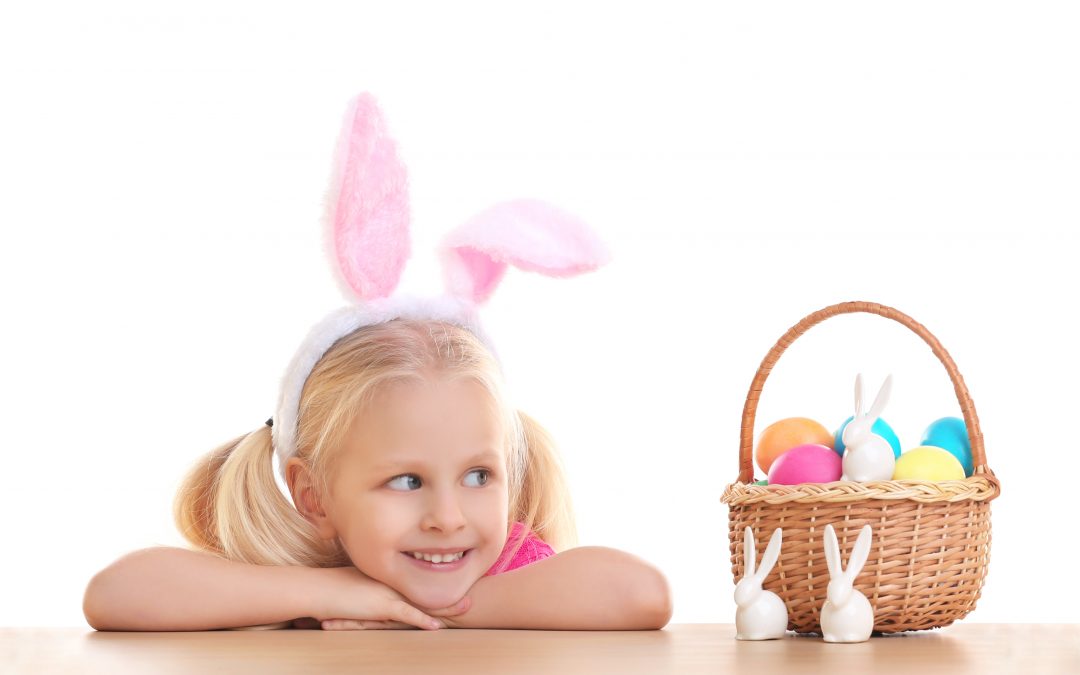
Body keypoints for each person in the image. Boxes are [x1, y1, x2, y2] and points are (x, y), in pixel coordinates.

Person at [82, 93, 671, 632]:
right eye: (407, 481)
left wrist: (418, 610)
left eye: (478, 476)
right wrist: (331, 592)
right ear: (313, 497)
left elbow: (641, 595)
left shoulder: (510, 568)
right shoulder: (294, 567)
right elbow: (116, 595)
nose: (447, 516)